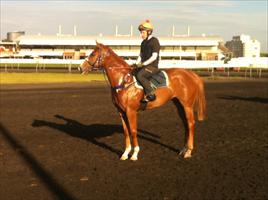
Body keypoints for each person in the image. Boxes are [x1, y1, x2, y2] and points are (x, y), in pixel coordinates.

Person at [133, 19, 160, 102]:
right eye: (141, 32)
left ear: (149, 32)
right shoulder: (143, 43)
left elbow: (154, 56)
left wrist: (143, 64)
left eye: (143, 32)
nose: (141, 34)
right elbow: (141, 55)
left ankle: (150, 94)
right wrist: (136, 64)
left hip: (152, 67)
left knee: (140, 75)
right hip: (144, 66)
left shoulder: (154, 41)